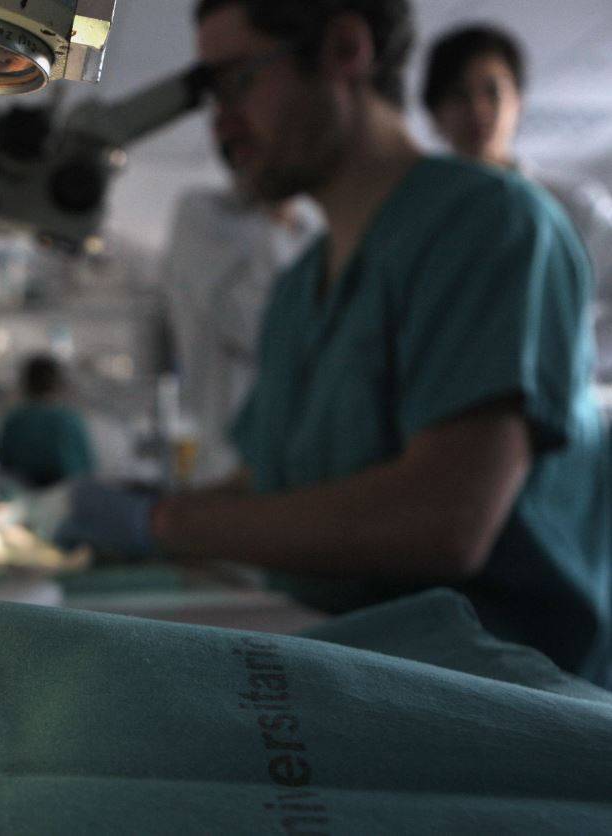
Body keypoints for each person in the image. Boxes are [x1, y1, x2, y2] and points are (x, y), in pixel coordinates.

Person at [54, 0, 612, 685]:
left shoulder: (491, 226)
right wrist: (131, 509)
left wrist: (165, 523)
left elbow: (443, 517)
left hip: (511, 706)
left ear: (346, 49)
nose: (222, 122)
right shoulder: (298, 291)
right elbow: (275, 476)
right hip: (358, 676)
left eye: (237, 82)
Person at [422, 24, 612, 388]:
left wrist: (569, 354)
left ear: (518, 102)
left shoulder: (574, 207)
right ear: (435, 112)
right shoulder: (415, 222)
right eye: (459, 95)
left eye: (492, 92)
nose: (478, 110)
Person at [162, 146, 322, 484]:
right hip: (228, 457)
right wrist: (275, 222)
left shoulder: (310, 230)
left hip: (308, 456)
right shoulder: (204, 216)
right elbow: (254, 328)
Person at [0, 354, 95, 488]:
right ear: (57, 383)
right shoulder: (68, 419)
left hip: (23, 497)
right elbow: (84, 469)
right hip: (63, 497)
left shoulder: (14, 419)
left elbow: (1, 464)